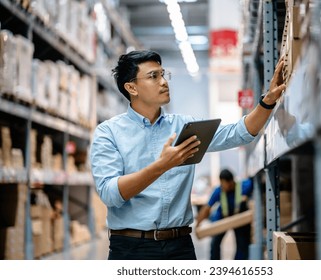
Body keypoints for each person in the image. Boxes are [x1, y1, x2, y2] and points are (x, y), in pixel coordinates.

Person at [89, 50, 286, 260]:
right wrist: (161, 165)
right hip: (131, 249)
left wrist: (268, 101)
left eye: (163, 74)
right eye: (153, 76)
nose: (164, 82)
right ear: (131, 87)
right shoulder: (108, 132)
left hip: (180, 247)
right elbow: (110, 194)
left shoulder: (185, 127)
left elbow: (238, 134)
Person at [195, 169, 253, 260]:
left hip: (239, 217)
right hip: (222, 217)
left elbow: (253, 181)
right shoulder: (218, 191)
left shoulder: (244, 186)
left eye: (225, 183)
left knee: (242, 244)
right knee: (214, 243)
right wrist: (198, 224)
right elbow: (207, 208)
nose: (224, 186)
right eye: (222, 183)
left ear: (231, 181)